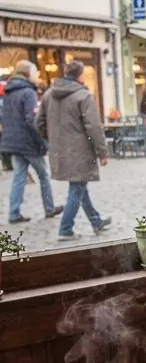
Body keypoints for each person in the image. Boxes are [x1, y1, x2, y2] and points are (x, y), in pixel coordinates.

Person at [36, 58, 111, 240]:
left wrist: (53, 139)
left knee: (79, 185)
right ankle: (65, 229)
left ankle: (96, 221)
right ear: (80, 75)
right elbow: (93, 127)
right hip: (80, 150)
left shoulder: (48, 95)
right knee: (77, 187)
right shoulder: (83, 96)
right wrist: (102, 152)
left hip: (59, 150)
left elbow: (38, 123)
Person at [1, 60, 63, 224]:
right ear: (28, 74)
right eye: (35, 72)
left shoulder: (8, 92)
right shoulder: (28, 92)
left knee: (18, 177)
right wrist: (42, 142)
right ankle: (49, 208)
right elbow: (32, 120)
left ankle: (14, 212)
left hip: (13, 142)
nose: (37, 76)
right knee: (43, 175)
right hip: (29, 143)